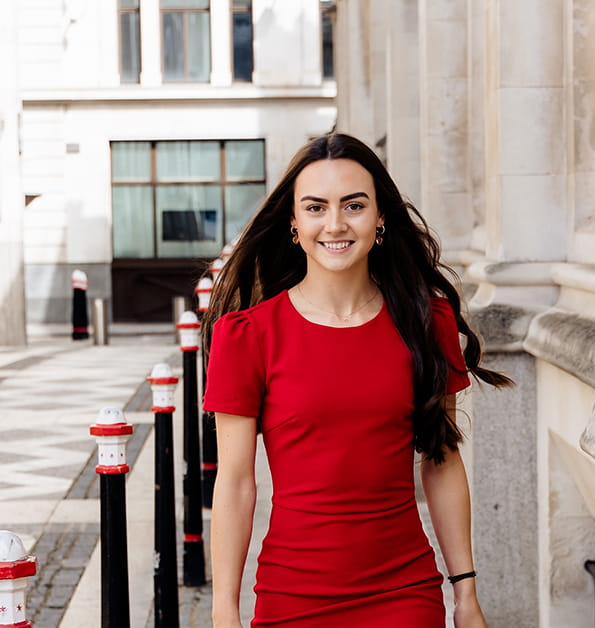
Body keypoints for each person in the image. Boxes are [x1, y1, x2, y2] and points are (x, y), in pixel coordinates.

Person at [202, 133, 512, 627]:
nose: (336, 224)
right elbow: (236, 483)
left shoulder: (427, 323)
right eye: (316, 207)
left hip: (404, 593)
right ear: (294, 223)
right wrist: (224, 613)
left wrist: (466, 595)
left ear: (380, 218)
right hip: (292, 596)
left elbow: (442, 460)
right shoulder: (248, 336)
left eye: (353, 205)